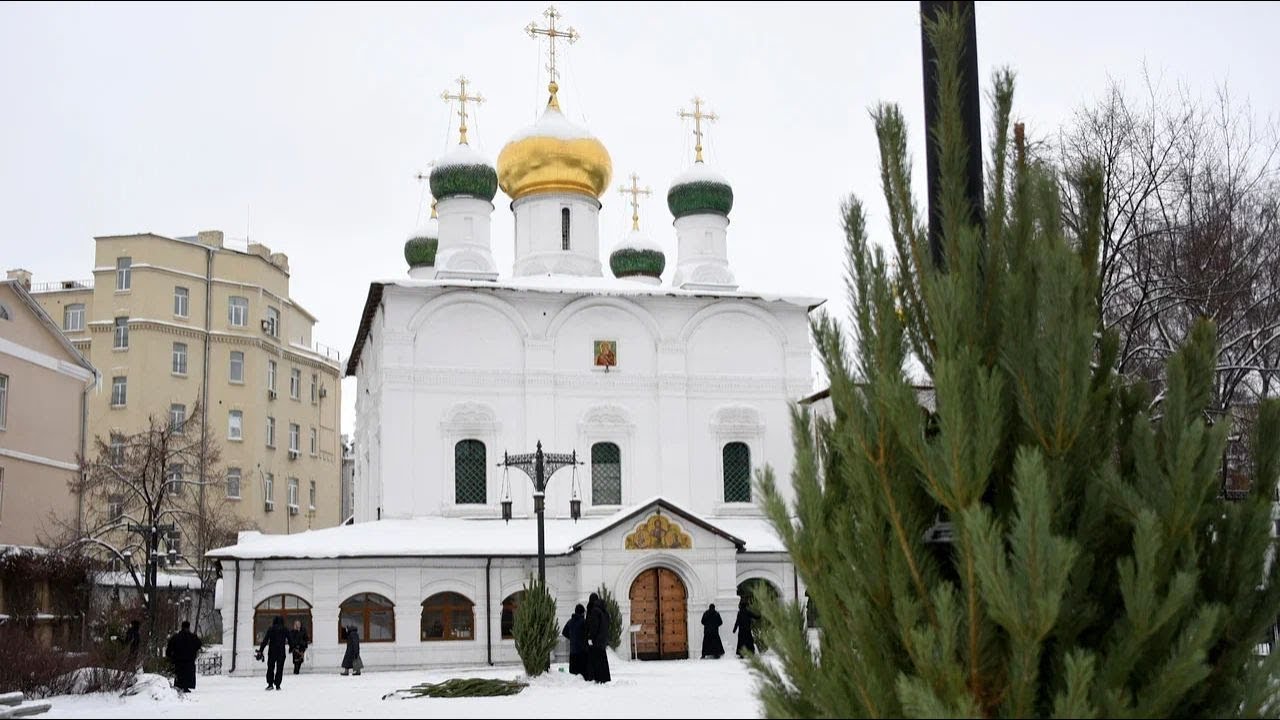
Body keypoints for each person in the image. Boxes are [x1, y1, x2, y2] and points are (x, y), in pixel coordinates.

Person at [165, 621, 202, 693]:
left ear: (182, 627)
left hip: (178, 660)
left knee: (180, 674)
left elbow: (169, 647)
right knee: (188, 674)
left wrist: (170, 656)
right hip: (189, 660)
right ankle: (186, 686)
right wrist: (193, 651)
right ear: (188, 627)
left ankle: (179, 685)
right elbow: (199, 644)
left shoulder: (176, 637)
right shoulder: (193, 637)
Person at [257, 616, 291, 690]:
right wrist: (291, 648)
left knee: (270, 668)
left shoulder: (271, 629)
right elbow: (290, 639)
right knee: (280, 669)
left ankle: (270, 684)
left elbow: (265, 640)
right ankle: (278, 685)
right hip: (281, 652)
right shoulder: (285, 629)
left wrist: (261, 650)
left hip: (272, 651)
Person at [584, 593, 611, 684]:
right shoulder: (604, 611)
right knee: (602, 658)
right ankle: (604, 677)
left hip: (596, 639)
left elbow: (593, 626)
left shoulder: (595, 611)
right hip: (603, 639)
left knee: (595, 659)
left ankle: (596, 677)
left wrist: (590, 637)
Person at [561, 604, 587, 678]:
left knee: (573, 675)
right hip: (582, 651)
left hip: (573, 651)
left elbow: (564, 632)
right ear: (582, 613)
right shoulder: (583, 622)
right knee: (582, 675)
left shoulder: (570, 621)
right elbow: (586, 634)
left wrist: (572, 637)